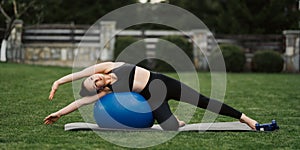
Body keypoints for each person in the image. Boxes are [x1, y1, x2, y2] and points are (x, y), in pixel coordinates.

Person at [44, 62, 257, 130]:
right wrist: (59, 114)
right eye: (92, 83)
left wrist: (58, 82)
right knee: (170, 128)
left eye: (91, 78)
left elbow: (79, 73)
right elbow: (80, 101)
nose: (93, 78)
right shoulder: (106, 92)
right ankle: (176, 121)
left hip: (163, 82)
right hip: (152, 97)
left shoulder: (109, 66)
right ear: (97, 89)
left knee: (203, 101)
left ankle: (245, 119)